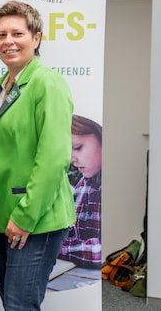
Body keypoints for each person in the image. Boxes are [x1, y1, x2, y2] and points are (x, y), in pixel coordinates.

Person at [0, 0, 75, 311]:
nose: (8, 41)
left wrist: (25, 217)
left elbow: (54, 158)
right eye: (1, 34)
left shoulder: (47, 83)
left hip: (33, 217)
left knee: (20, 305)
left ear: (36, 38)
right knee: (12, 303)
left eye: (17, 33)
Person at [59, 114, 102, 269]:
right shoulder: (83, 185)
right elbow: (72, 231)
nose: (71, 158)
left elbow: (102, 251)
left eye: (78, 147)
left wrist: (55, 248)